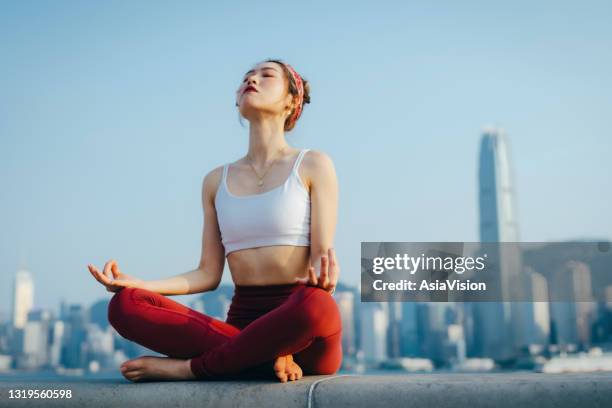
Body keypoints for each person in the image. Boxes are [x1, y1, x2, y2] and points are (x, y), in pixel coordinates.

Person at [87, 58, 342, 383]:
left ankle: (190, 368)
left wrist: (323, 281)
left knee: (317, 304)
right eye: (247, 76)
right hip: (238, 328)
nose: (253, 79)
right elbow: (208, 273)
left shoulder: (314, 165)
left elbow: (322, 260)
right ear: (237, 100)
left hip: (301, 328)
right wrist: (138, 284)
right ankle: (263, 358)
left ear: (292, 100)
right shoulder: (215, 181)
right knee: (124, 305)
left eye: (267, 75)